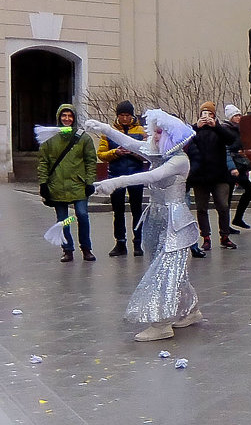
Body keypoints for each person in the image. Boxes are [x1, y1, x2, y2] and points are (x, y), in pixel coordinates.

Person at [86, 110, 204, 341]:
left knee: (164, 272)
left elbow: (151, 177)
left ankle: (161, 324)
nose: (155, 137)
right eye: (154, 132)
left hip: (175, 223)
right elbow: (132, 143)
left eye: (159, 133)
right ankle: (190, 310)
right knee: (169, 270)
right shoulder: (159, 154)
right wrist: (106, 128)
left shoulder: (179, 160)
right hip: (158, 219)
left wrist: (115, 182)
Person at [36, 103, 97, 263]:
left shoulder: (83, 138)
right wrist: (43, 183)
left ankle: (86, 248)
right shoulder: (49, 139)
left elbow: (91, 161)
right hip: (57, 185)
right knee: (64, 220)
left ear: (74, 118)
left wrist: (90, 182)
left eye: (70, 116)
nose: (67, 119)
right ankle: (68, 249)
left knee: (82, 215)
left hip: (79, 184)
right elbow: (43, 162)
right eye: (64, 116)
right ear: (59, 117)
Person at [184, 101, 237, 251]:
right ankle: (206, 237)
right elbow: (184, 142)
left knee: (223, 206)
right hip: (200, 177)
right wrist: (195, 128)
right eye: (203, 114)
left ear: (214, 116)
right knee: (201, 208)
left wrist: (217, 126)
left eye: (209, 114)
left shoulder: (220, 129)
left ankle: (225, 236)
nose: (206, 117)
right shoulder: (193, 131)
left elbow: (232, 140)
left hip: (219, 175)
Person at [97, 100, 147, 257]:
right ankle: (120, 243)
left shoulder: (141, 131)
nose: (124, 118)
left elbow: (148, 153)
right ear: (117, 116)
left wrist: (133, 152)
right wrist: (115, 153)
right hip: (116, 175)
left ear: (132, 116)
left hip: (135, 175)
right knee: (118, 211)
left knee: (136, 210)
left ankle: (138, 243)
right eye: (121, 115)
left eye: (127, 115)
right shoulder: (109, 132)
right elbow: (101, 154)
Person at [224, 105, 251, 229]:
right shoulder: (226, 129)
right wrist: (232, 167)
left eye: (239, 115)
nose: (239, 117)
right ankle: (226, 225)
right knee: (228, 196)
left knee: (249, 189)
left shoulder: (238, 129)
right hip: (230, 167)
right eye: (236, 115)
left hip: (238, 165)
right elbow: (226, 149)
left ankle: (238, 218)